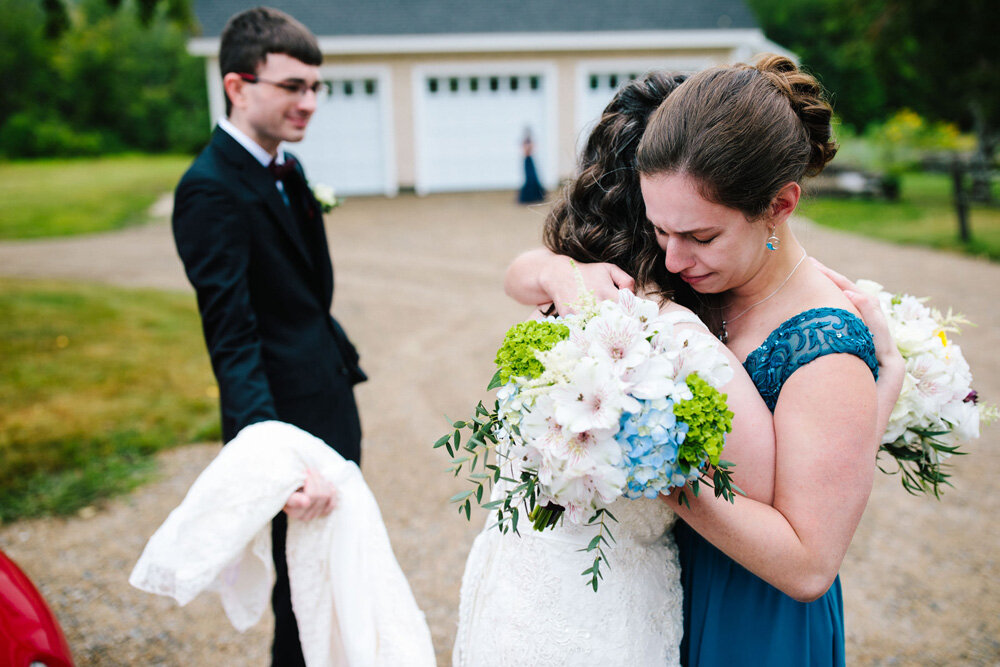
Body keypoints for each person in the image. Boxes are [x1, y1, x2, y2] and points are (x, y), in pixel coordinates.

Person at [504, 56, 904, 666]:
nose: (670, 259)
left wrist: (639, 459)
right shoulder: (714, 278)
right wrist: (563, 272)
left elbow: (809, 566)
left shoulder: (825, 346)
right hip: (664, 592)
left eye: (700, 237)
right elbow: (524, 271)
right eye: (661, 231)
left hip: (756, 622)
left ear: (780, 204)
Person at [454, 71, 780, 666]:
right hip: (607, 607)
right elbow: (756, 484)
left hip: (513, 590)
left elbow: (518, 273)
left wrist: (554, 270)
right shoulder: (676, 335)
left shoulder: (568, 293)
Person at [171, 8, 365, 666]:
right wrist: (272, 463)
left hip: (329, 403)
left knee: (338, 584)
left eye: (316, 86)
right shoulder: (209, 190)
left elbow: (305, 298)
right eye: (292, 87)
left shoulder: (288, 169)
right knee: (302, 603)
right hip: (284, 431)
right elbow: (233, 337)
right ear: (237, 86)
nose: (309, 102)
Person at [517, 129, 546, 204]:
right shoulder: (524, 141)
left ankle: (537, 197)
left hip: (530, 159)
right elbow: (525, 150)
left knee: (534, 177)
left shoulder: (530, 141)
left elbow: (533, 148)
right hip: (527, 159)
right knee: (529, 178)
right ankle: (527, 198)